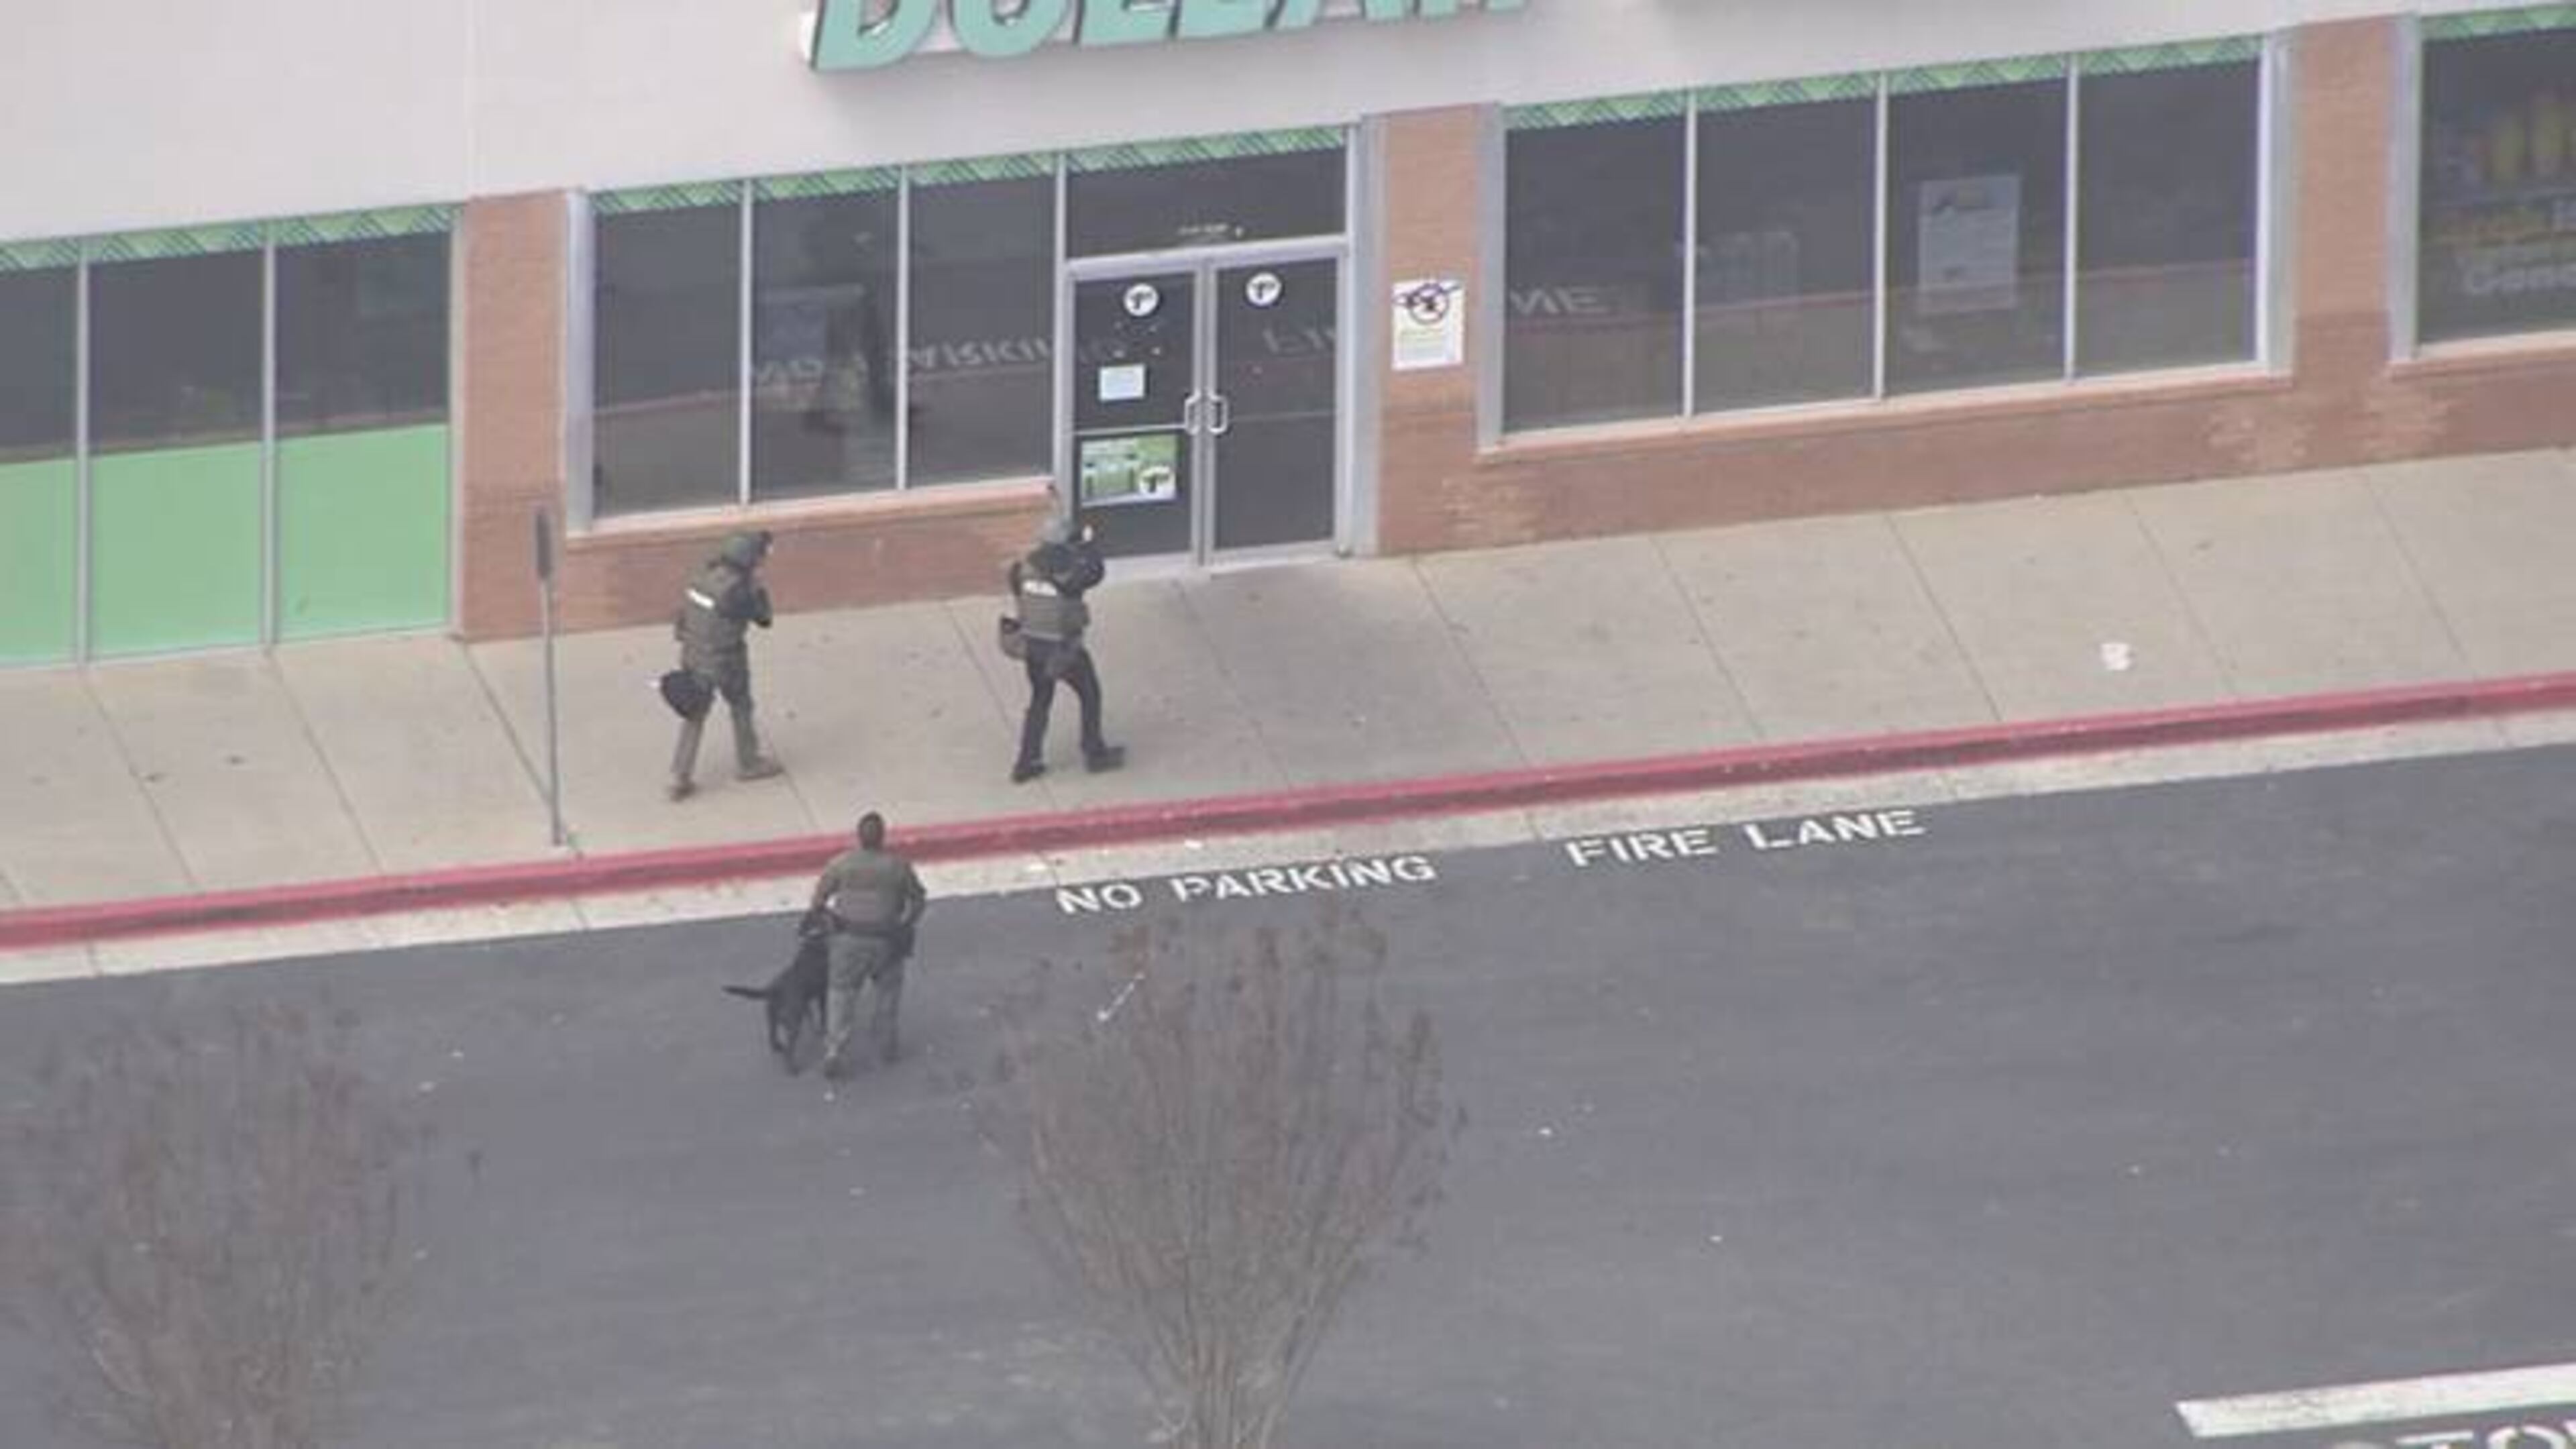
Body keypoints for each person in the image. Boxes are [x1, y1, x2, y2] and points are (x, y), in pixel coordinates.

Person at [807, 811, 927, 1079]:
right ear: (882, 838)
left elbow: (818, 903)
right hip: (886, 940)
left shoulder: (840, 864)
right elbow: (918, 900)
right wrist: (905, 926)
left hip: (848, 941)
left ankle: (835, 1050)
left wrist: (831, 925)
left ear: (858, 837)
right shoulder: (898, 866)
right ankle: (887, 1046)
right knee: (888, 993)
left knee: (840, 995)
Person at [667, 530, 784, 802]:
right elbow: (764, 619)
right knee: (741, 706)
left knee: (695, 714)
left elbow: (682, 618)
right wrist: (759, 589)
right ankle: (749, 762)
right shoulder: (740, 591)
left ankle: (680, 775)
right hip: (727, 659)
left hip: (694, 655)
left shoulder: (702, 579)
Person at [1008, 515, 1125, 784]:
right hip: (1063, 648)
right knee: (1090, 693)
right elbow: (1096, 573)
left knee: (1040, 700)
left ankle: (1026, 762)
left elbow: (1020, 593)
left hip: (1032, 645)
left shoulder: (1022, 569)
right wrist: (1087, 545)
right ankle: (1094, 753)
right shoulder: (1070, 571)